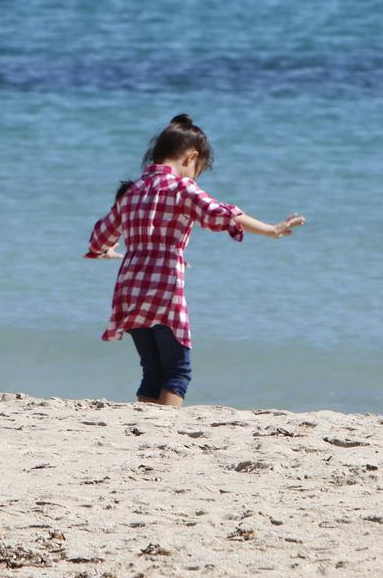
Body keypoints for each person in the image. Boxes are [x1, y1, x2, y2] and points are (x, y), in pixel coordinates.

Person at [84, 114, 304, 407]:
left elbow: (101, 236)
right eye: (198, 170)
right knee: (177, 372)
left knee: (152, 371)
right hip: (163, 289)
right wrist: (271, 229)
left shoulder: (132, 192)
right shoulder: (181, 188)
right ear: (191, 157)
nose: (195, 177)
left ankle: (143, 430)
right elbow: (219, 214)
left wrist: (108, 249)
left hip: (131, 290)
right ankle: (164, 432)